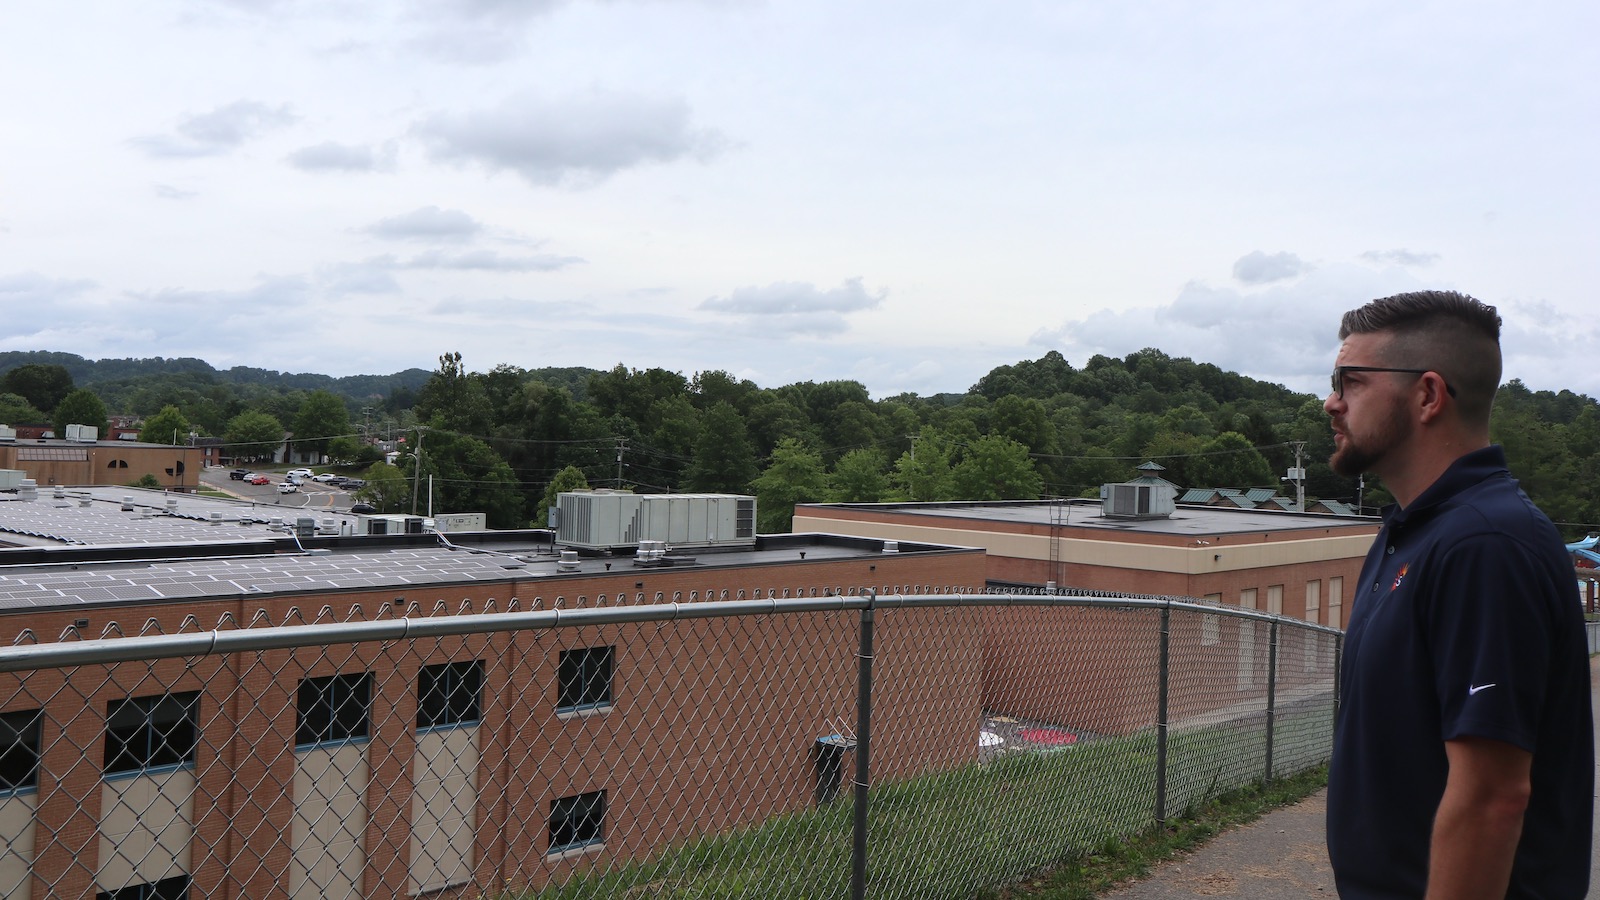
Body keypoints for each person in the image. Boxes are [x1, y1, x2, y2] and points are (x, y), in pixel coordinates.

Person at [1323, 290, 1593, 898]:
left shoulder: (1487, 545)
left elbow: (1492, 798)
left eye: (1351, 382)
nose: (1331, 402)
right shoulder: (1412, 532)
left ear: (1427, 395)